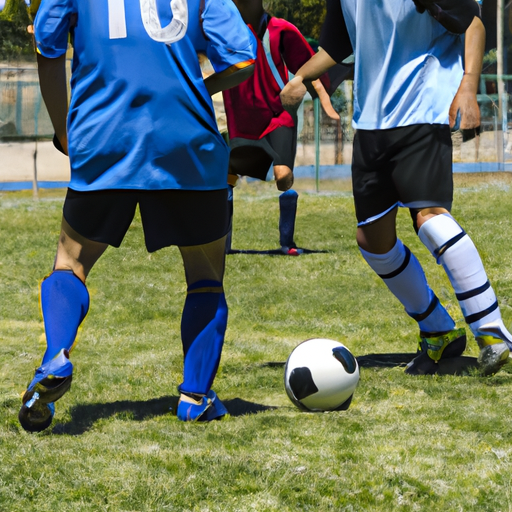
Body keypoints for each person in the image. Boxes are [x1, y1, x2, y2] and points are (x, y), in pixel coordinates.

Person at [18, 0, 257, 432]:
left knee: (71, 262)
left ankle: (56, 354)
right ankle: (195, 397)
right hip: (186, 136)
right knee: (205, 274)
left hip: (104, 132)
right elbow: (242, 60)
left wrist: (63, 132)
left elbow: (47, 52)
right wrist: (195, 86)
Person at [280, 0, 512, 375]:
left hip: (422, 108)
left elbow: (472, 24)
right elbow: (335, 48)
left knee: (430, 218)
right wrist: (299, 78)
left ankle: (492, 332)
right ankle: (437, 330)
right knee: (373, 241)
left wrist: (468, 87)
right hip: (371, 122)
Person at [222, 0, 339, 255]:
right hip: (241, 120)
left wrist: (326, 101)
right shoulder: (223, 31)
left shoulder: (280, 30)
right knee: (226, 176)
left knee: (283, 177)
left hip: (277, 116)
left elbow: (309, 70)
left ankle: (287, 243)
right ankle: (223, 246)